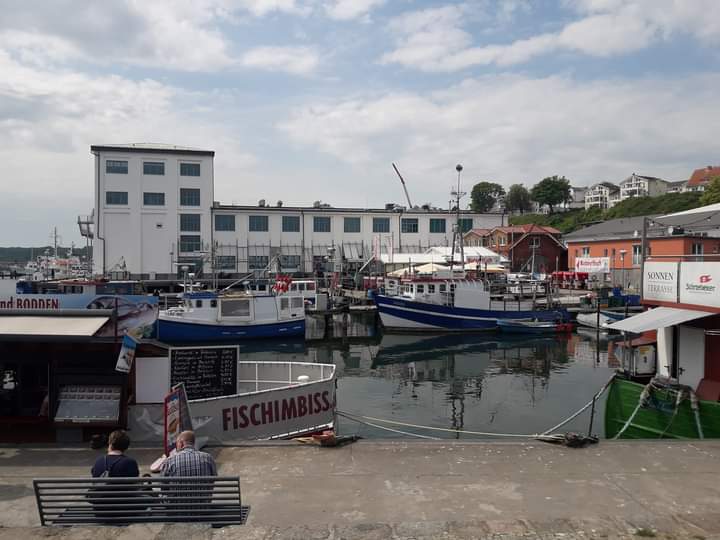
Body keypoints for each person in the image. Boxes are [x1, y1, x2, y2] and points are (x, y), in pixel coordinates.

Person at [161, 431, 217, 516]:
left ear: (181, 443)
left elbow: (163, 487)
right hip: (202, 509)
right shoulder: (208, 458)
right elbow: (213, 479)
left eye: (177, 443)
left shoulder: (170, 460)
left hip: (177, 510)